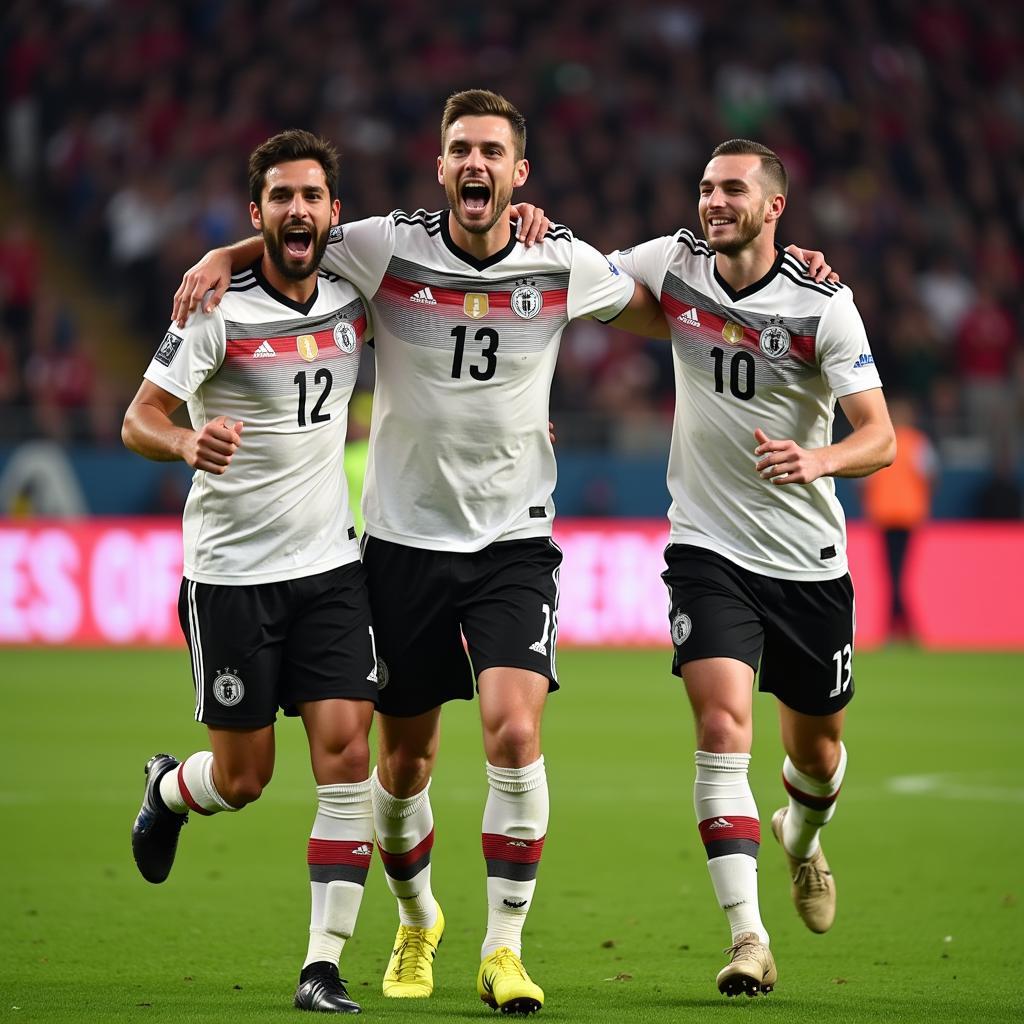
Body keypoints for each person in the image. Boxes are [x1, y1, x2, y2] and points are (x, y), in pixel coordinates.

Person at [171, 95, 834, 1013]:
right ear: (438, 168)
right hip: (401, 546)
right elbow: (299, 233)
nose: (474, 162)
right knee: (401, 769)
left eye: (492, 150)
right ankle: (415, 920)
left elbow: (671, 301)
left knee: (515, 734)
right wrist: (222, 255)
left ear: (518, 172)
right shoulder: (384, 247)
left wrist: (783, 274)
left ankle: (505, 949)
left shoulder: (558, 258)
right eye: (458, 149)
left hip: (516, 544)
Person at [610, 140, 895, 997]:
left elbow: (879, 436)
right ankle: (748, 940)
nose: (713, 201)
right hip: (706, 549)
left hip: (807, 560)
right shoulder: (674, 265)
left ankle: (802, 842)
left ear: (774, 206)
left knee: (817, 752)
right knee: (722, 728)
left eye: (732, 189)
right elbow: (576, 278)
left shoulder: (823, 304)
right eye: (704, 187)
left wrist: (819, 460)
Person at [122, 129, 381, 1015]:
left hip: (333, 569)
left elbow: (459, 278)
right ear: (258, 214)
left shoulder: (356, 292)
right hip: (231, 576)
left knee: (349, 757)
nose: (298, 210)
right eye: (281, 198)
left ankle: (321, 966)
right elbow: (138, 417)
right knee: (244, 780)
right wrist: (188, 439)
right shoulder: (214, 311)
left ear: (333, 212)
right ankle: (167, 788)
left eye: (312, 196)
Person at [861, 395, 937, 640]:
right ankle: (901, 625)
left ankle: (899, 626)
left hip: (893, 516)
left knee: (894, 574)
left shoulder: (881, 441)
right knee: (896, 574)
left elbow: (863, 479)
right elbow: (931, 475)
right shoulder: (917, 443)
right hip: (903, 515)